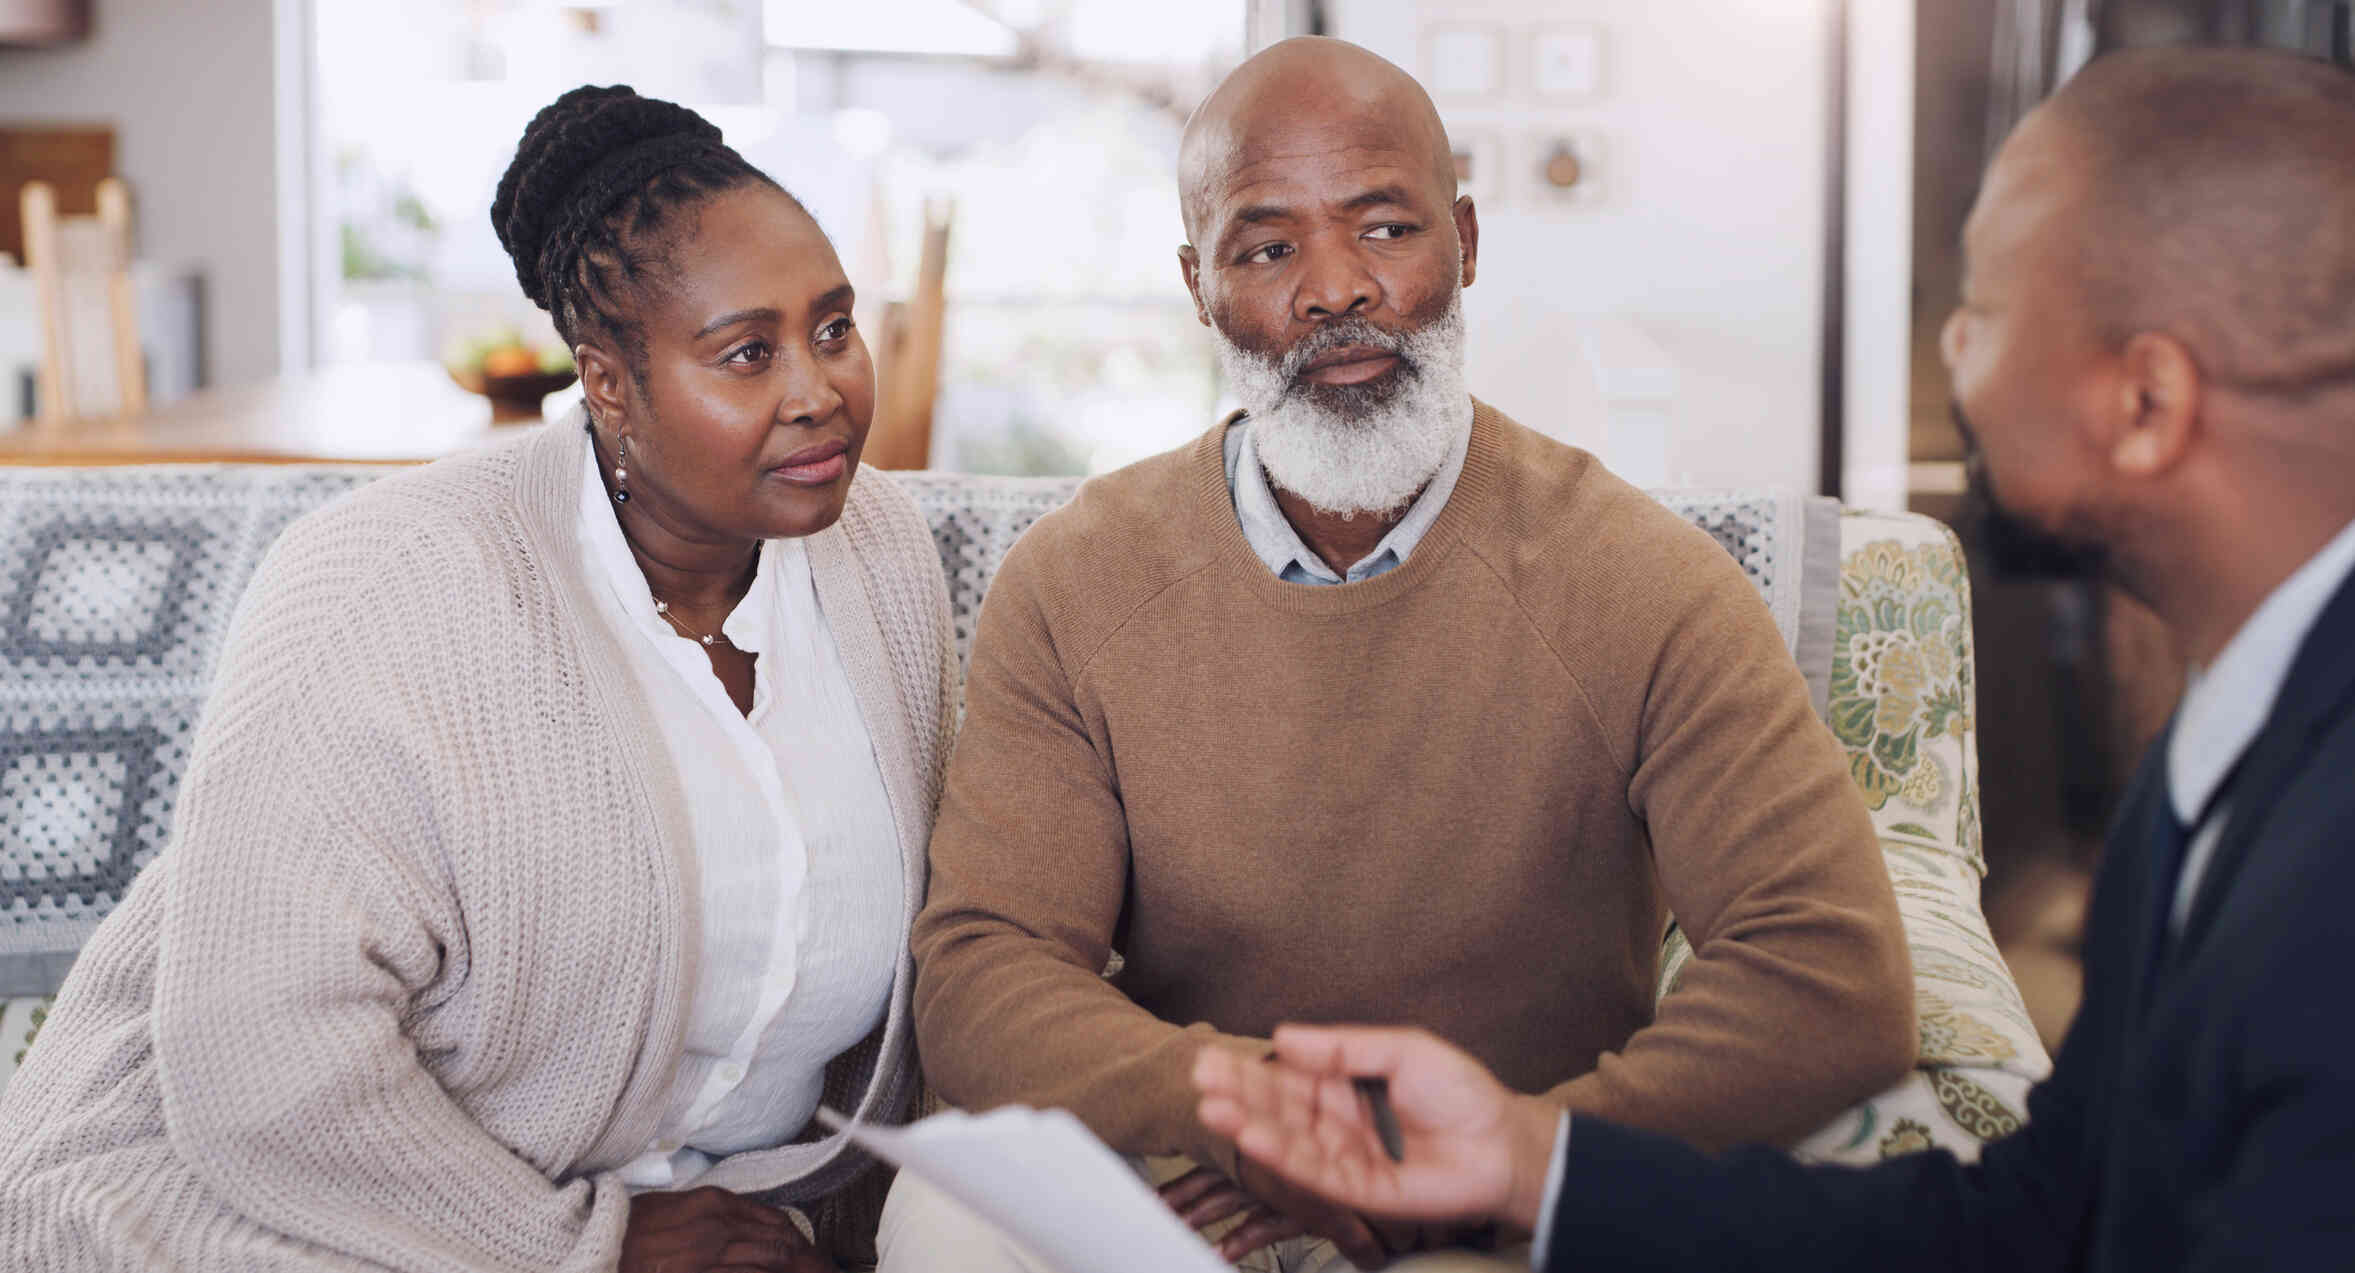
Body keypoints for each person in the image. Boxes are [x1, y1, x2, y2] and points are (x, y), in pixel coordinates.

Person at [1191, 46, 2355, 1273]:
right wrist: (1527, 1163)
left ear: (2146, 406)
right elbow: (2034, 1220)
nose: (1953, 352)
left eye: (1990, 308)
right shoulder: (2231, 748)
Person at [886, 36, 1913, 1273]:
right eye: (1267, 249)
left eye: (1384, 230)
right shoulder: (1072, 579)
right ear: (1198, 287)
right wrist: (1243, 1107)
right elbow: (982, 972)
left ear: (1465, 246)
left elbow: (1829, 975)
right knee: (940, 1221)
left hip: (1503, 1199)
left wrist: (1514, 1155)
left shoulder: (1649, 584)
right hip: (1189, 1181)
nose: (1334, 289)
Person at [0, 86, 958, 1273]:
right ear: (608, 383)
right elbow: (258, 1057)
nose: (819, 390)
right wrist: (587, 1245)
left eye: (833, 328)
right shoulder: (388, 581)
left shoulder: (881, 555)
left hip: (717, 1202)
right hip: (268, 1190)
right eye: (746, 353)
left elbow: (935, 954)